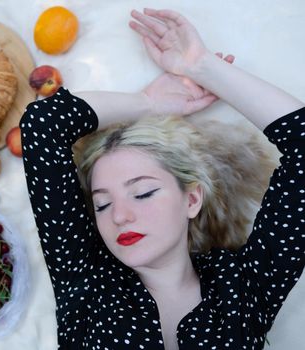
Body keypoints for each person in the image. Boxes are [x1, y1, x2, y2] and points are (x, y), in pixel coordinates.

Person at [19, 8, 305, 350]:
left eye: (142, 193)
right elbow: (42, 125)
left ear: (191, 199)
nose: (119, 216)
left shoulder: (242, 287)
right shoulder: (86, 279)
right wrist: (148, 103)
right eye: (102, 204)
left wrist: (202, 65)